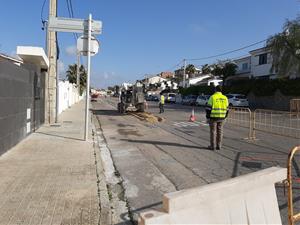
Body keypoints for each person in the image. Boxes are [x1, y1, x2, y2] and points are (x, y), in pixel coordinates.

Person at [205, 86, 229, 150]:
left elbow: (208, 108)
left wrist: (208, 117)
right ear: (221, 91)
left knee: (213, 131)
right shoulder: (225, 98)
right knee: (220, 131)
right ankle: (219, 146)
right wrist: (225, 116)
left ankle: (212, 146)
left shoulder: (212, 97)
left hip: (213, 117)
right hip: (222, 118)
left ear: (215, 90)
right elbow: (227, 109)